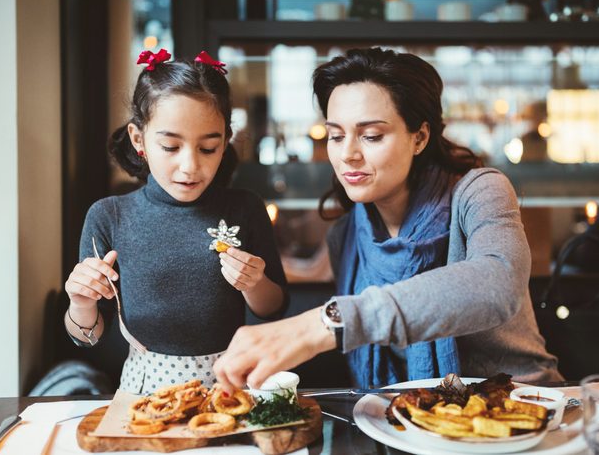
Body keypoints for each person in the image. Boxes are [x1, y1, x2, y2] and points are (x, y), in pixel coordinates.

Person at [213, 47, 560, 392]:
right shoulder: (347, 234)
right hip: (409, 421)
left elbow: (496, 284)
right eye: (336, 135)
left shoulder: (480, 191)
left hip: (526, 407)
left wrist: (326, 324)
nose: (348, 153)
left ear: (420, 137)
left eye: (371, 136)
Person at [63, 49, 287, 394]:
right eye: (170, 146)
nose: (189, 166)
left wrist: (253, 282)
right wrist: (81, 302)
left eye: (208, 148)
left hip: (230, 385)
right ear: (139, 140)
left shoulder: (245, 207)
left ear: (225, 141)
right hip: (144, 390)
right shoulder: (109, 216)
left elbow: (273, 309)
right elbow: (87, 338)